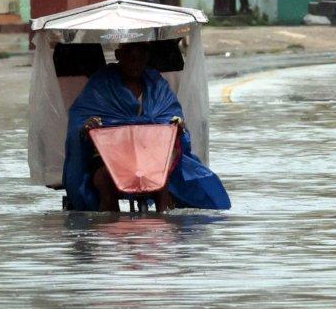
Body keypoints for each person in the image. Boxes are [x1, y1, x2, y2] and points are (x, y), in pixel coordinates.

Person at [63, 41, 230, 212]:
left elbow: (172, 117)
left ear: (146, 58)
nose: (135, 63)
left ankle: (164, 223)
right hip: (112, 157)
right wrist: (88, 126)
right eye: (130, 58)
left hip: (152, 156)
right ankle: (110, 227)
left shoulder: (157, 84)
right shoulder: (102, 83)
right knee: (104, 179)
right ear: (119, 57)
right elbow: (80, 120)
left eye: (139, 58)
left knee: (163, 176)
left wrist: (176, 126)